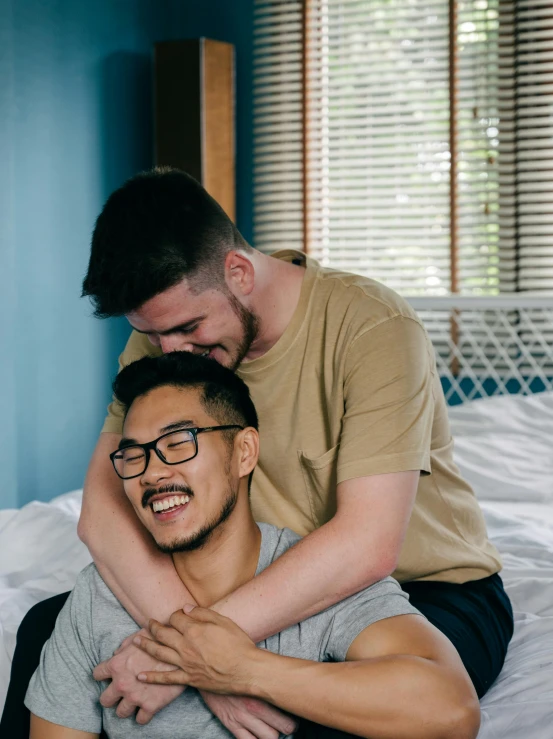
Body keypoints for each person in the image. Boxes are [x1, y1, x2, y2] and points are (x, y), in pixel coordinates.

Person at [1, 168, 512, 739]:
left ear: (238, 272)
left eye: (190, 327)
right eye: (155, 335)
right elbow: (102, 515)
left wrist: (201, 660)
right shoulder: (161, 337)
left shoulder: (372, 326)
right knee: (50, 632)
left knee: (321, 716)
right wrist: (201, 658)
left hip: (426, 586)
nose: (172, 351)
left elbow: (368, 544)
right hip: (244, 578)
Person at [25, 352, 480, 739]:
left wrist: (241, 670)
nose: (151, 472)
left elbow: (453, 708)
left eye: (178, 442)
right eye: (134, 455)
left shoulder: (319, 584)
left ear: (244, 452)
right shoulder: (98, 597)